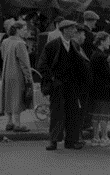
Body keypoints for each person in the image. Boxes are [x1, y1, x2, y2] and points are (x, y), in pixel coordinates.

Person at [38, 20, 88, 151]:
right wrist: (53, 78)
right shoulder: (52, 46)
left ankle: (71, 141)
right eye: (72, 28)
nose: (75, 31)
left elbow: (81, 65)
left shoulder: (75, 46)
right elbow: (42, 65)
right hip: (58, 85)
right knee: (56, 112)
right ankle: (53, 141)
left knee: (73, 112)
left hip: (71, 85)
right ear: (65, 30)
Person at [0, 21, 33, 132]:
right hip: (17, 74)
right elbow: (24, 64)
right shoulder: (20, 43)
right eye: (24, 29)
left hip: (6, 72)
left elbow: (3, 56)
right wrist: (28, 78)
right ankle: (17, 124)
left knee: (8, 96)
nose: (25, 31)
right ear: (18, 30)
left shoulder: (5, 41)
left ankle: (9, 122)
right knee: (17, 97)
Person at [89, 31, 110, 147]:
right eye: (108, 41)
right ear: (102, 42)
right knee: (104, 115)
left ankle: (95, 137)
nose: (109, 43)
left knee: (95, 114)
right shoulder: (102, 56)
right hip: (104, 88)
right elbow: (107, 74)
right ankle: (104, 137)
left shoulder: (94, 55)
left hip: (95, 88)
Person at [73, 24, 93, 133]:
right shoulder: (74, 47)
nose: (85, 37)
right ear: (78, 34)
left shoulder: (78, 47)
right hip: (79, 85)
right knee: (78, 111)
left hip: (82, 85)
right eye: (83, 34)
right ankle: (76, 135)